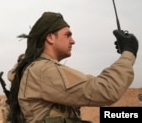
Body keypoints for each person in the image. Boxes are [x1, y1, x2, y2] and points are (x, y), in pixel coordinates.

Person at [8, 12, 139, 123]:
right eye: (67, 35)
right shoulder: (43, 70)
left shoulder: (37, 69)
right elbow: (105, 90)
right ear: (50, 37)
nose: (73, 40)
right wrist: (128, 53)